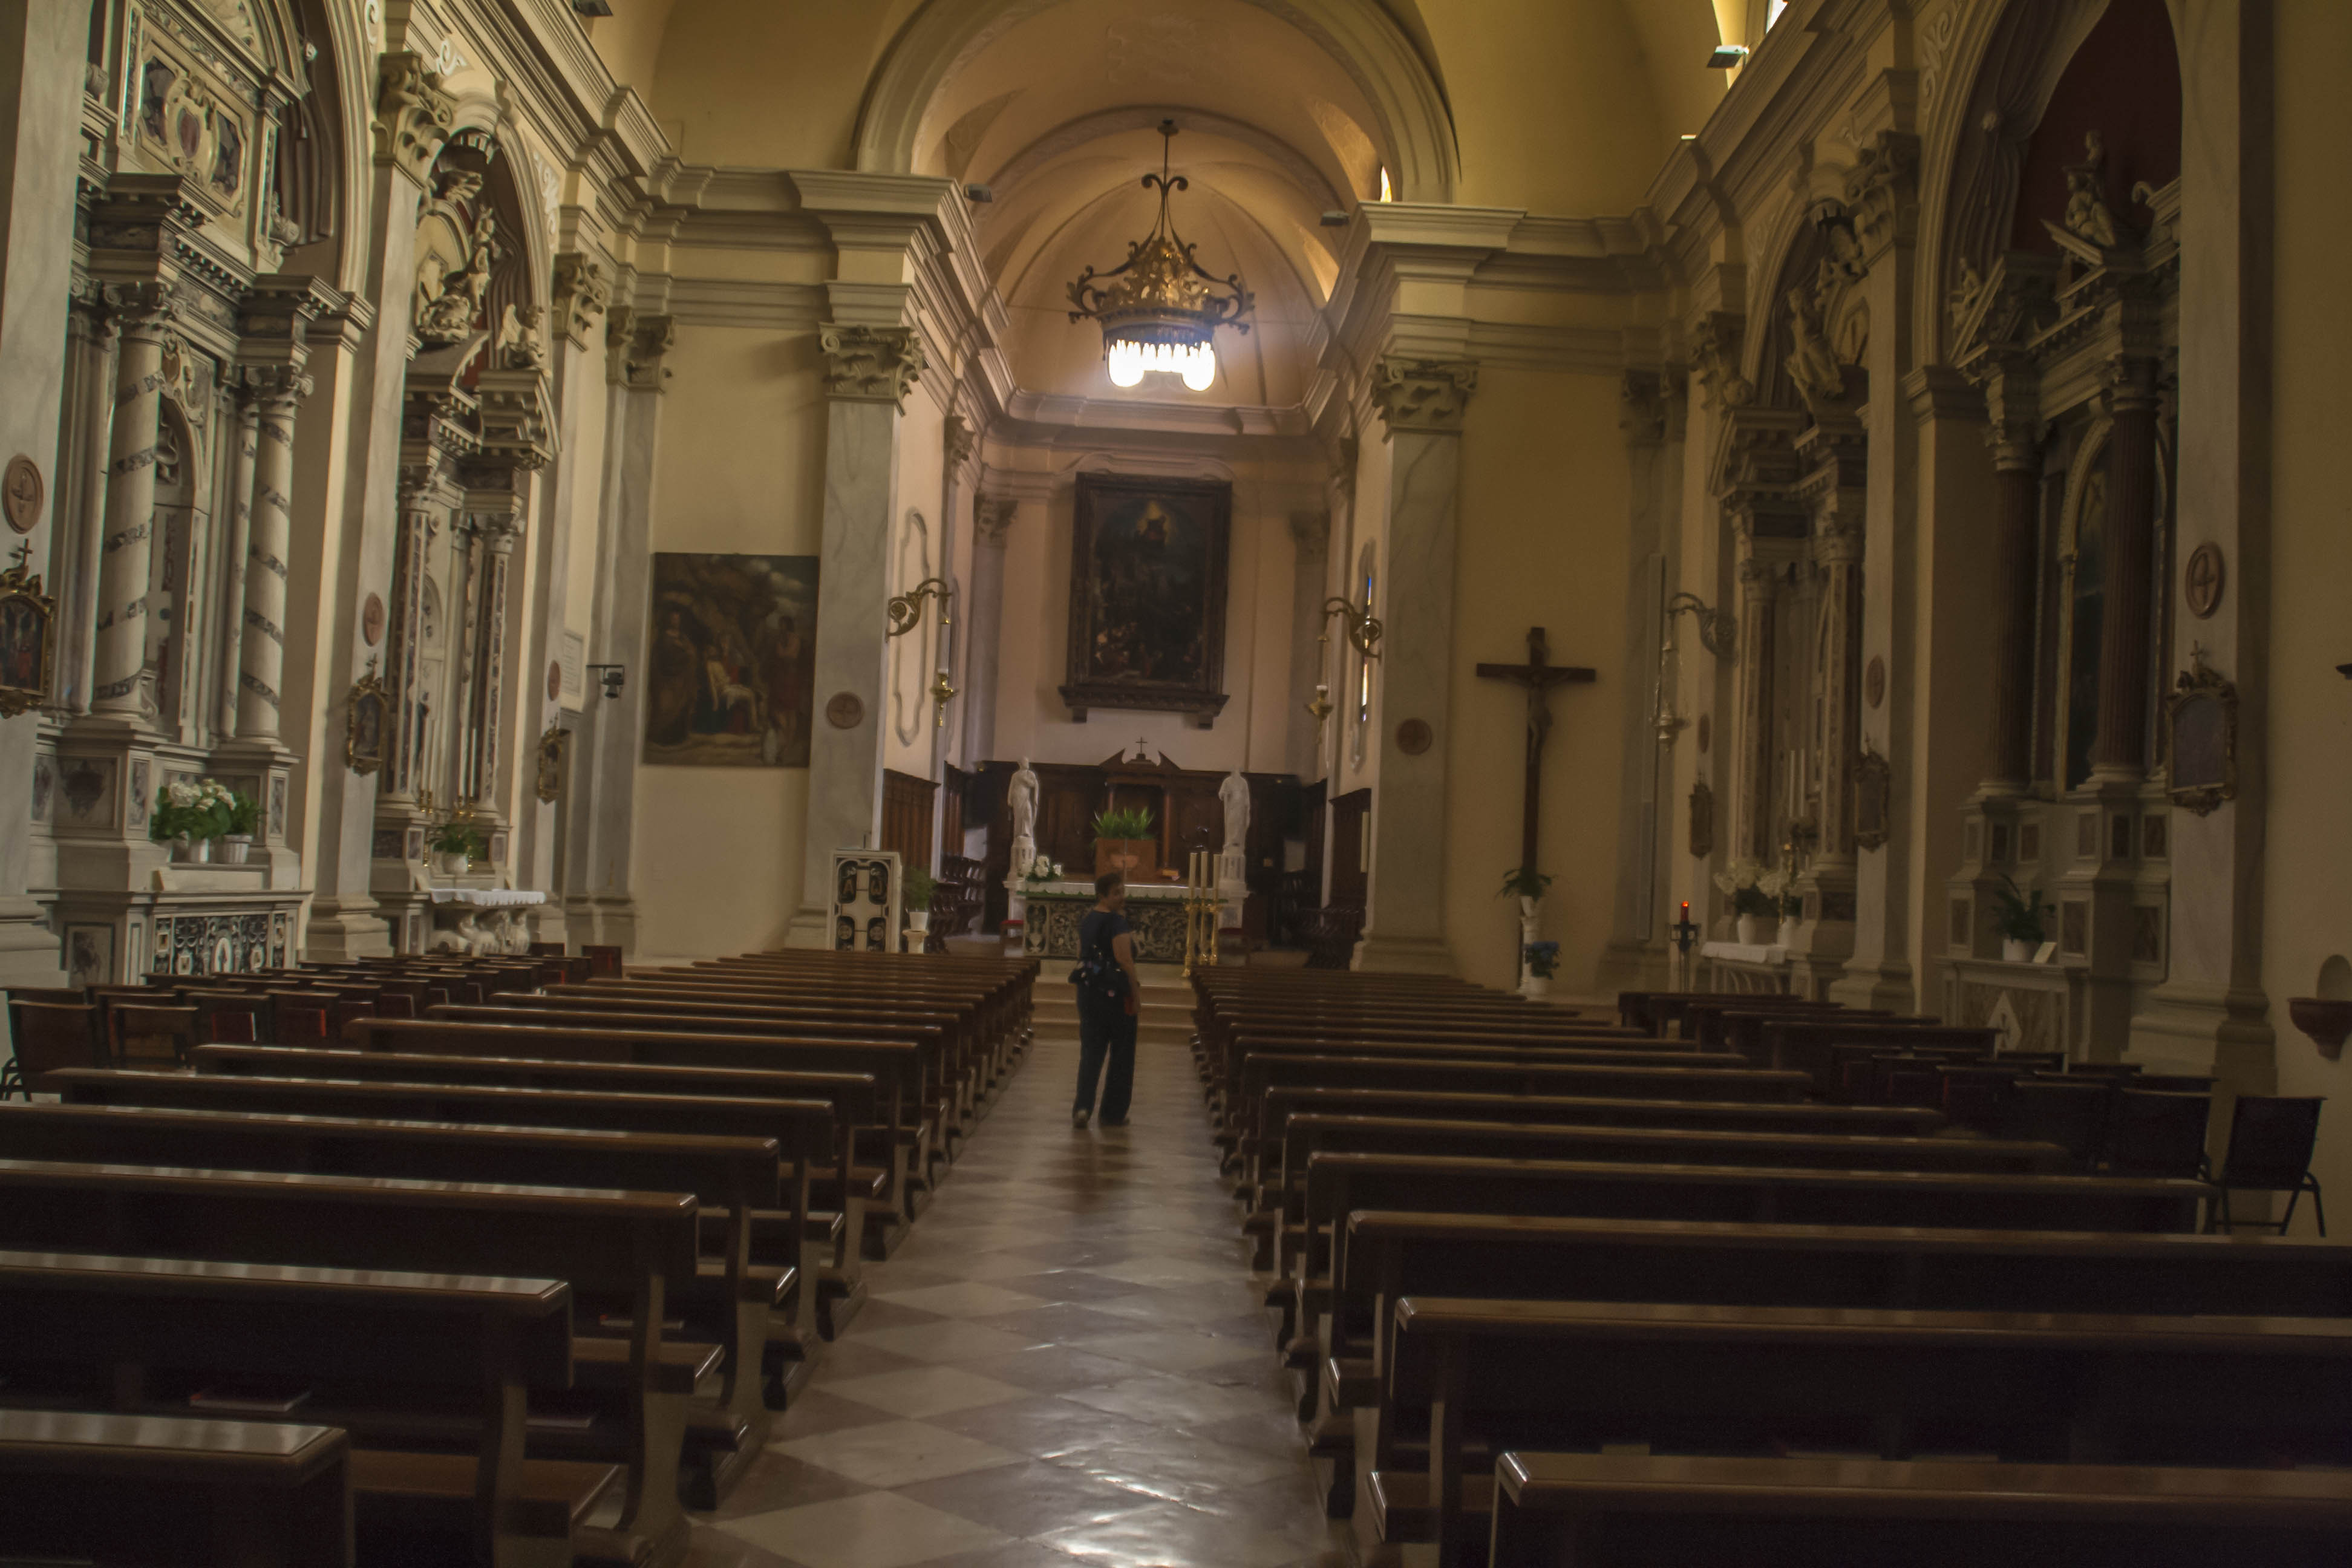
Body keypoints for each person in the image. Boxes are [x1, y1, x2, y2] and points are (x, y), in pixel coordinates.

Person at [1071, 869, 1141, 1129]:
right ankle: (1112, 1113)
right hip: (1114, 993)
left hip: (1088, 990)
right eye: (1116, 893)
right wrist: (1135, 993)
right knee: (1122, 1053)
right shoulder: (1116, 923)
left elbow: (1080, 952)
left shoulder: (1088, 918)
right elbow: (1125, 960)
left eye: (1123, 891)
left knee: (1091, 1051)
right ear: (1103, 895)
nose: (1121, 897)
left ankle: (1082, 1107)